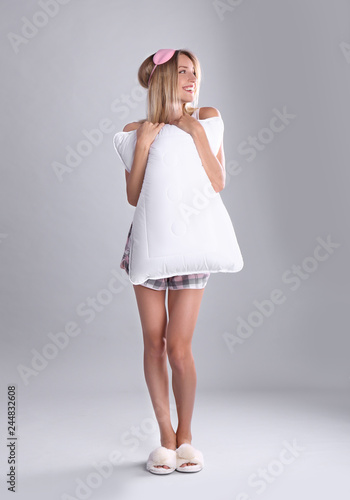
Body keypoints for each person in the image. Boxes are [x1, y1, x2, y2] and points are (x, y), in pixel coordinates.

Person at [119, 48, 226, 474]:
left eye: (194, 72)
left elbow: (218, 182)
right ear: (164, 78)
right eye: (182, 72)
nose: (192, 79)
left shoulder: (209, 117)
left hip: (192, 245)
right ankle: (165, 438)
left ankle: (187, 437)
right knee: (154, 342)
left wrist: (192, 129)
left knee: (180, 348)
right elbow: (133, 195)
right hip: (149, 243)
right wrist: (145, 143)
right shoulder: (136, 129)